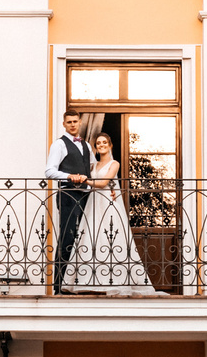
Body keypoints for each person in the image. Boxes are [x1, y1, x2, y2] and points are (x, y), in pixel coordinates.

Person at [63, 132, 157, 295]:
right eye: (98, 143)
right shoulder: (93, 165)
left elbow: (103, 182)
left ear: (110, 145)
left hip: (107, 202)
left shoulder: (114, 164)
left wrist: (84, 180)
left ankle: (114, 280)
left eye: (104, 142)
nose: (101, 145)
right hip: (94, 202)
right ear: (96, 147)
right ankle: (90, 281)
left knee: (110, 238)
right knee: (92, 236)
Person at [46, 109, 93, 292]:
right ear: (64, 124)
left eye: (75, 121)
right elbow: (49, 171)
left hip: (86, 196)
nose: (73, 124)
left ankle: (78, 284)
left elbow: (93, 170)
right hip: (68, 195)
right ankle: (58, 287)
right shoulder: (59, 144)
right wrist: (69, 176)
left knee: (85, 237)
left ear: (80, 122)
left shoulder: (86, 145)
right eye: (69, 122)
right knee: (68, 237)